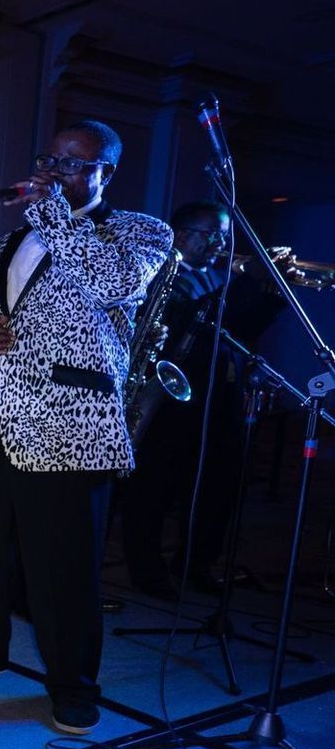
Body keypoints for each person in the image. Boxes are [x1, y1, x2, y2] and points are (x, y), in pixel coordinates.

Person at [0, 120, 172, 736]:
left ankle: (73, 686)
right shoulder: (10, 242)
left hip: (69, 429)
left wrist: (56, 213)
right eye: (50, 158)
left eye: (72, 162)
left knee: (62, 569)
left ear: (104, 172)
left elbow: (112, 283)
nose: (55, 170)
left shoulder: (136, 231)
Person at [121, 200, 288, 598]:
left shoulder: (216, 278)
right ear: (180, 234)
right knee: (154, 488)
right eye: (211, 234)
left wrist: (272, 292)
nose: (220, 243)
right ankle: (147, 571)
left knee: (221, 484)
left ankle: (196, 563)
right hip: (169, 401)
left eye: (224, 235)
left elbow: (240, 329)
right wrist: (246, 281)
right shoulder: (163, 274)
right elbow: (178, 323)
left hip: (217, 397)